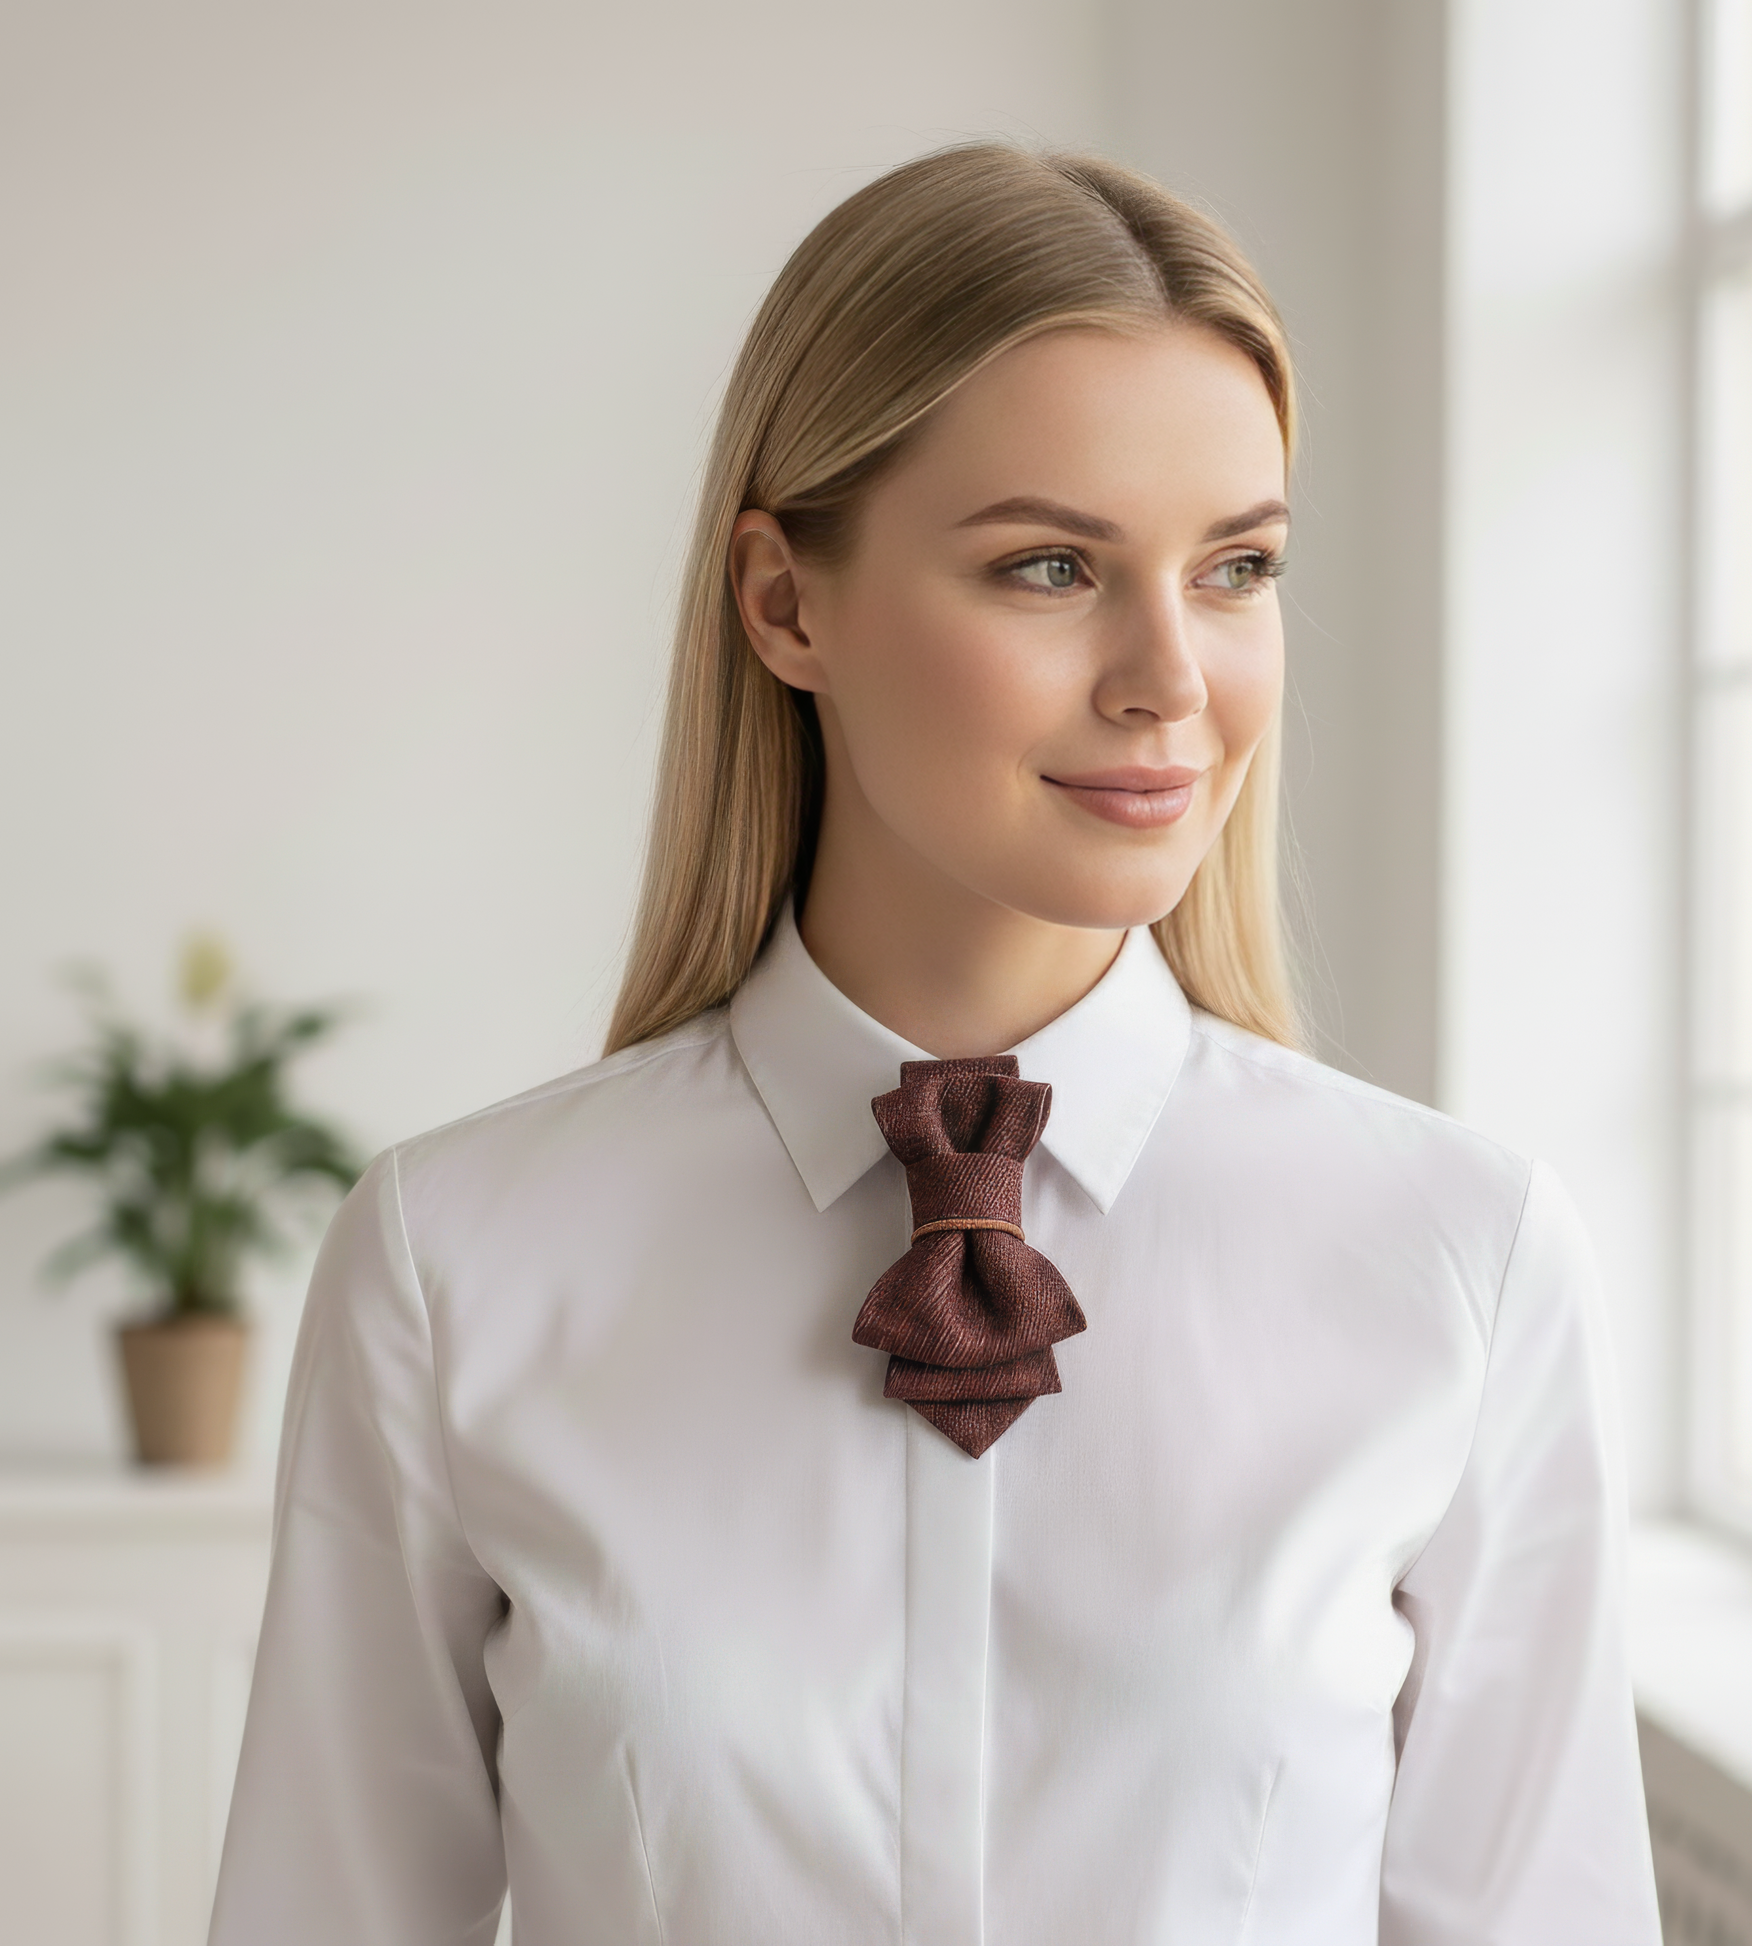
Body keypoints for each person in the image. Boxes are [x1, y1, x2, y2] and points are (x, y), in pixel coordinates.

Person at [209, 144, 1660, 1945]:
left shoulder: (1463, 1261)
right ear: (783, 602)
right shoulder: (456, 1265)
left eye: (1235, 567)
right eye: (1051, 565)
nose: (1170, 678)